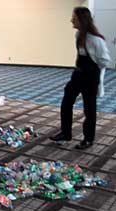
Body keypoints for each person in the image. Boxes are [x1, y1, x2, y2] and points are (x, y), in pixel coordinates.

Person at [50, 7, 110, 149]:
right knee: (66, 102)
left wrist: (93, 72)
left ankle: (88, 139)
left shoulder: (96, 40)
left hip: (90, 76)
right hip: (78, 74)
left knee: (89, 108)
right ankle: (66, 133)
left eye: (74, 18)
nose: (72, 20)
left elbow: (104, 60)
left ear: (82, 20)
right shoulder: (78, 35)